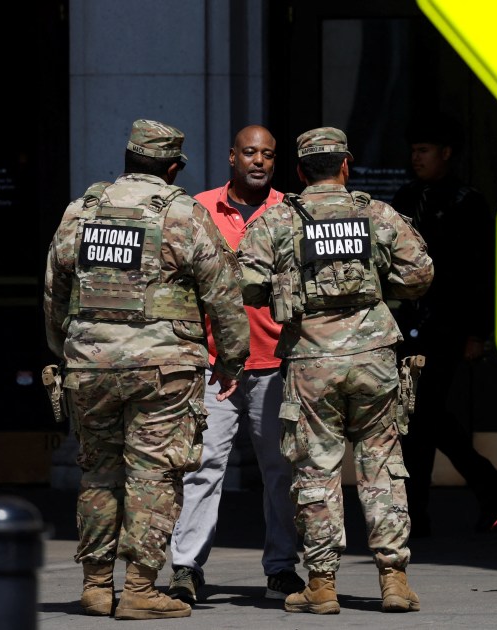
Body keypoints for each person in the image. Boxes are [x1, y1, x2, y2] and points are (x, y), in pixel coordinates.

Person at [44, 119, 251, 621]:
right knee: (154, 473)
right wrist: (231, 361)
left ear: (128, 160)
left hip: (89, 366)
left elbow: (55, 289)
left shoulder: (83, 209)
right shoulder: (184, 213)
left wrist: (68, 349)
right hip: (163, 369)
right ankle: (140, 588)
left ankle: (96, 587)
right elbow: (223, 294)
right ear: (173, 168)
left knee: (98, 472)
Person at [237, 127, 434, 615]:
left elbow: (247, 285)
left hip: (311, 359)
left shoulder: (279, 217)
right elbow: (419, 274)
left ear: (300, 171)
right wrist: (379, 285)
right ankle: (394, 579)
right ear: (346, 165)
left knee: (316, 469)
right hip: (374, 356)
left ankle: (322, 584)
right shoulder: (376, 213)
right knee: (381, 465)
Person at [168, 125, 304, 604]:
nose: (259, 161)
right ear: (232, 157)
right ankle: (186, 568)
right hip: (214, 364)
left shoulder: (291, 211)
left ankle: (282, 568)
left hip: (275, 363)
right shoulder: (200, 208)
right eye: (249, 152)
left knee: (280, 471)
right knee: (202, 468)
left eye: (267, 154)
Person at [390, 115, 497, 536]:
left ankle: (420, 513)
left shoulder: (467, 202)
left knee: (423, 414)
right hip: (407, 324)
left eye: (424, 151)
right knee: (420, 415)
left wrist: (478, 332)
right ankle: (488, 484)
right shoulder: (405, 196)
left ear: (445, 153)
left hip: (448, 326)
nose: (416, 158)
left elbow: (482, 272)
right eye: (413, 151)